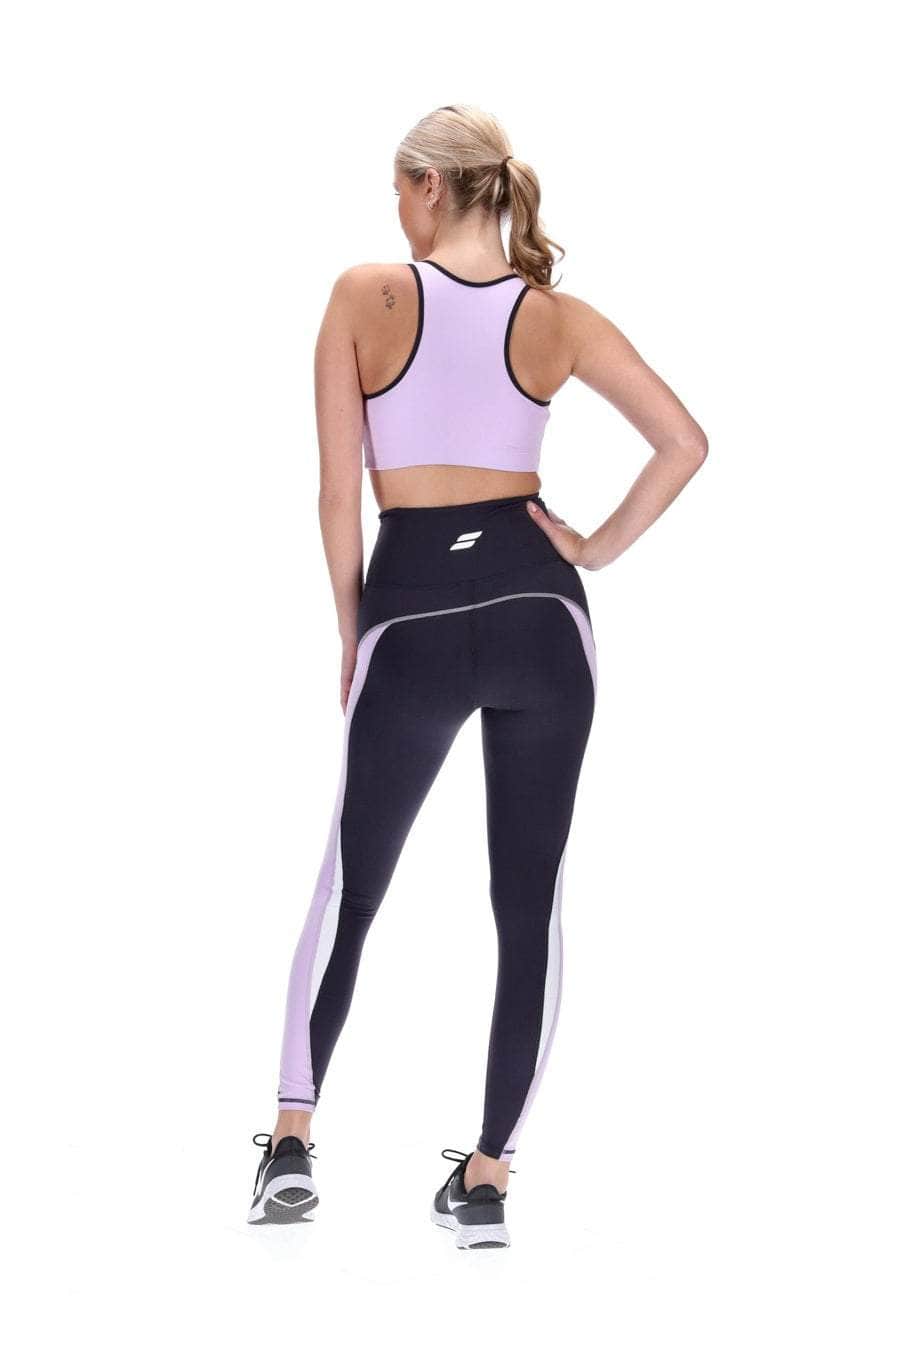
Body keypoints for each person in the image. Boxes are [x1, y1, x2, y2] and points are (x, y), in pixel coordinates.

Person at [247, 103, 707, 1247]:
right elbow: (685, 441)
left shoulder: (363, 294)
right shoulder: (557, 316)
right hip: (542, 615)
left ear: (430, 186)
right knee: (528, 901)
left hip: (411, 608)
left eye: (397, 190)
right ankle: (489, 1179)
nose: (395, 213)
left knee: (351, 886)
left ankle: (292, 1139)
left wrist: (353, 632)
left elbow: (336, 494)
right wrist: (590, 548)